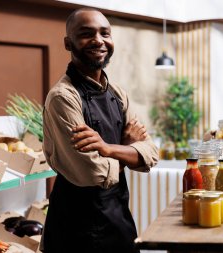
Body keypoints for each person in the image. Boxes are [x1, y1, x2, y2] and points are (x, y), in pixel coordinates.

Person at [41, 8, 158, 253]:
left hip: (118, 217)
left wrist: (107, 149)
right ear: (68, 43)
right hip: (76, 228)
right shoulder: (63, 97)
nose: (98, 40)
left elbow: (151, 154)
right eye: (86, 34)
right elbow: (91, 172)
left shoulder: (117, 93)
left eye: (105, 33)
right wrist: (128, 150)